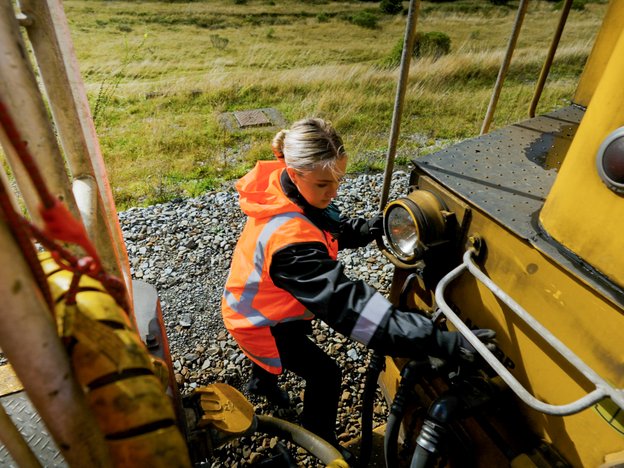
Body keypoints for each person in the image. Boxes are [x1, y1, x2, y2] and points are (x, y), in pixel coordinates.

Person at [221, 117, 495, 458]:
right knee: (326, 375)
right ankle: (320, 443)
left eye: (339, 179)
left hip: (264, 299)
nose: (334, 191)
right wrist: (438, 339)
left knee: (284, 353)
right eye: (324, 184)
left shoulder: (283, 188)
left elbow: (325, 225)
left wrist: (372, 228)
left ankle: (261, 383)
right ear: (294, 172)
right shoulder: (289, 244)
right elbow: (349, 306)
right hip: (258, 318)